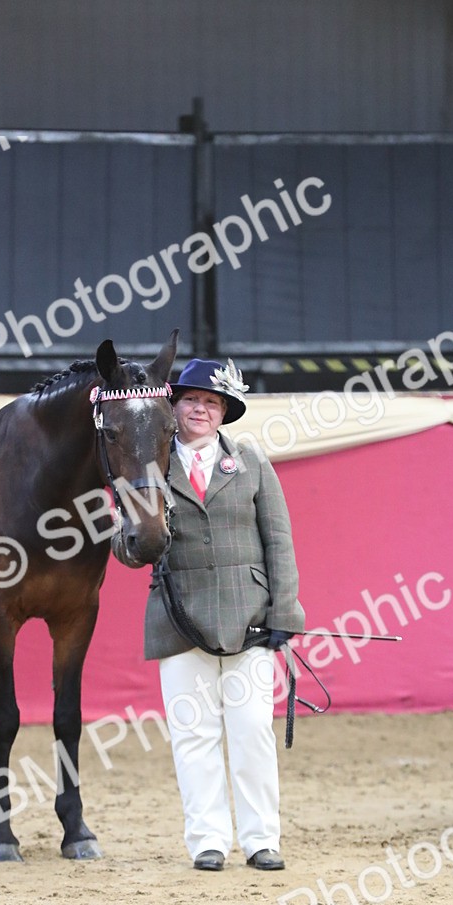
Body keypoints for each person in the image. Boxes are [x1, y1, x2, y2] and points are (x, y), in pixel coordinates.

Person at [144, 357, 305, 871]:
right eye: (191, 399)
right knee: (194, 734)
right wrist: (132, 526)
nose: (200, 409)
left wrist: (286, 611)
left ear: (224, 411)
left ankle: (262, 839)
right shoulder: (148, 470)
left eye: (211, 402)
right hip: (179, 617)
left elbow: (278, 539)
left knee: (252, 728)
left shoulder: (252, 463)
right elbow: (129, 554)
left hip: (249, 618)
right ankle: (208, 840)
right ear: (174, 406)